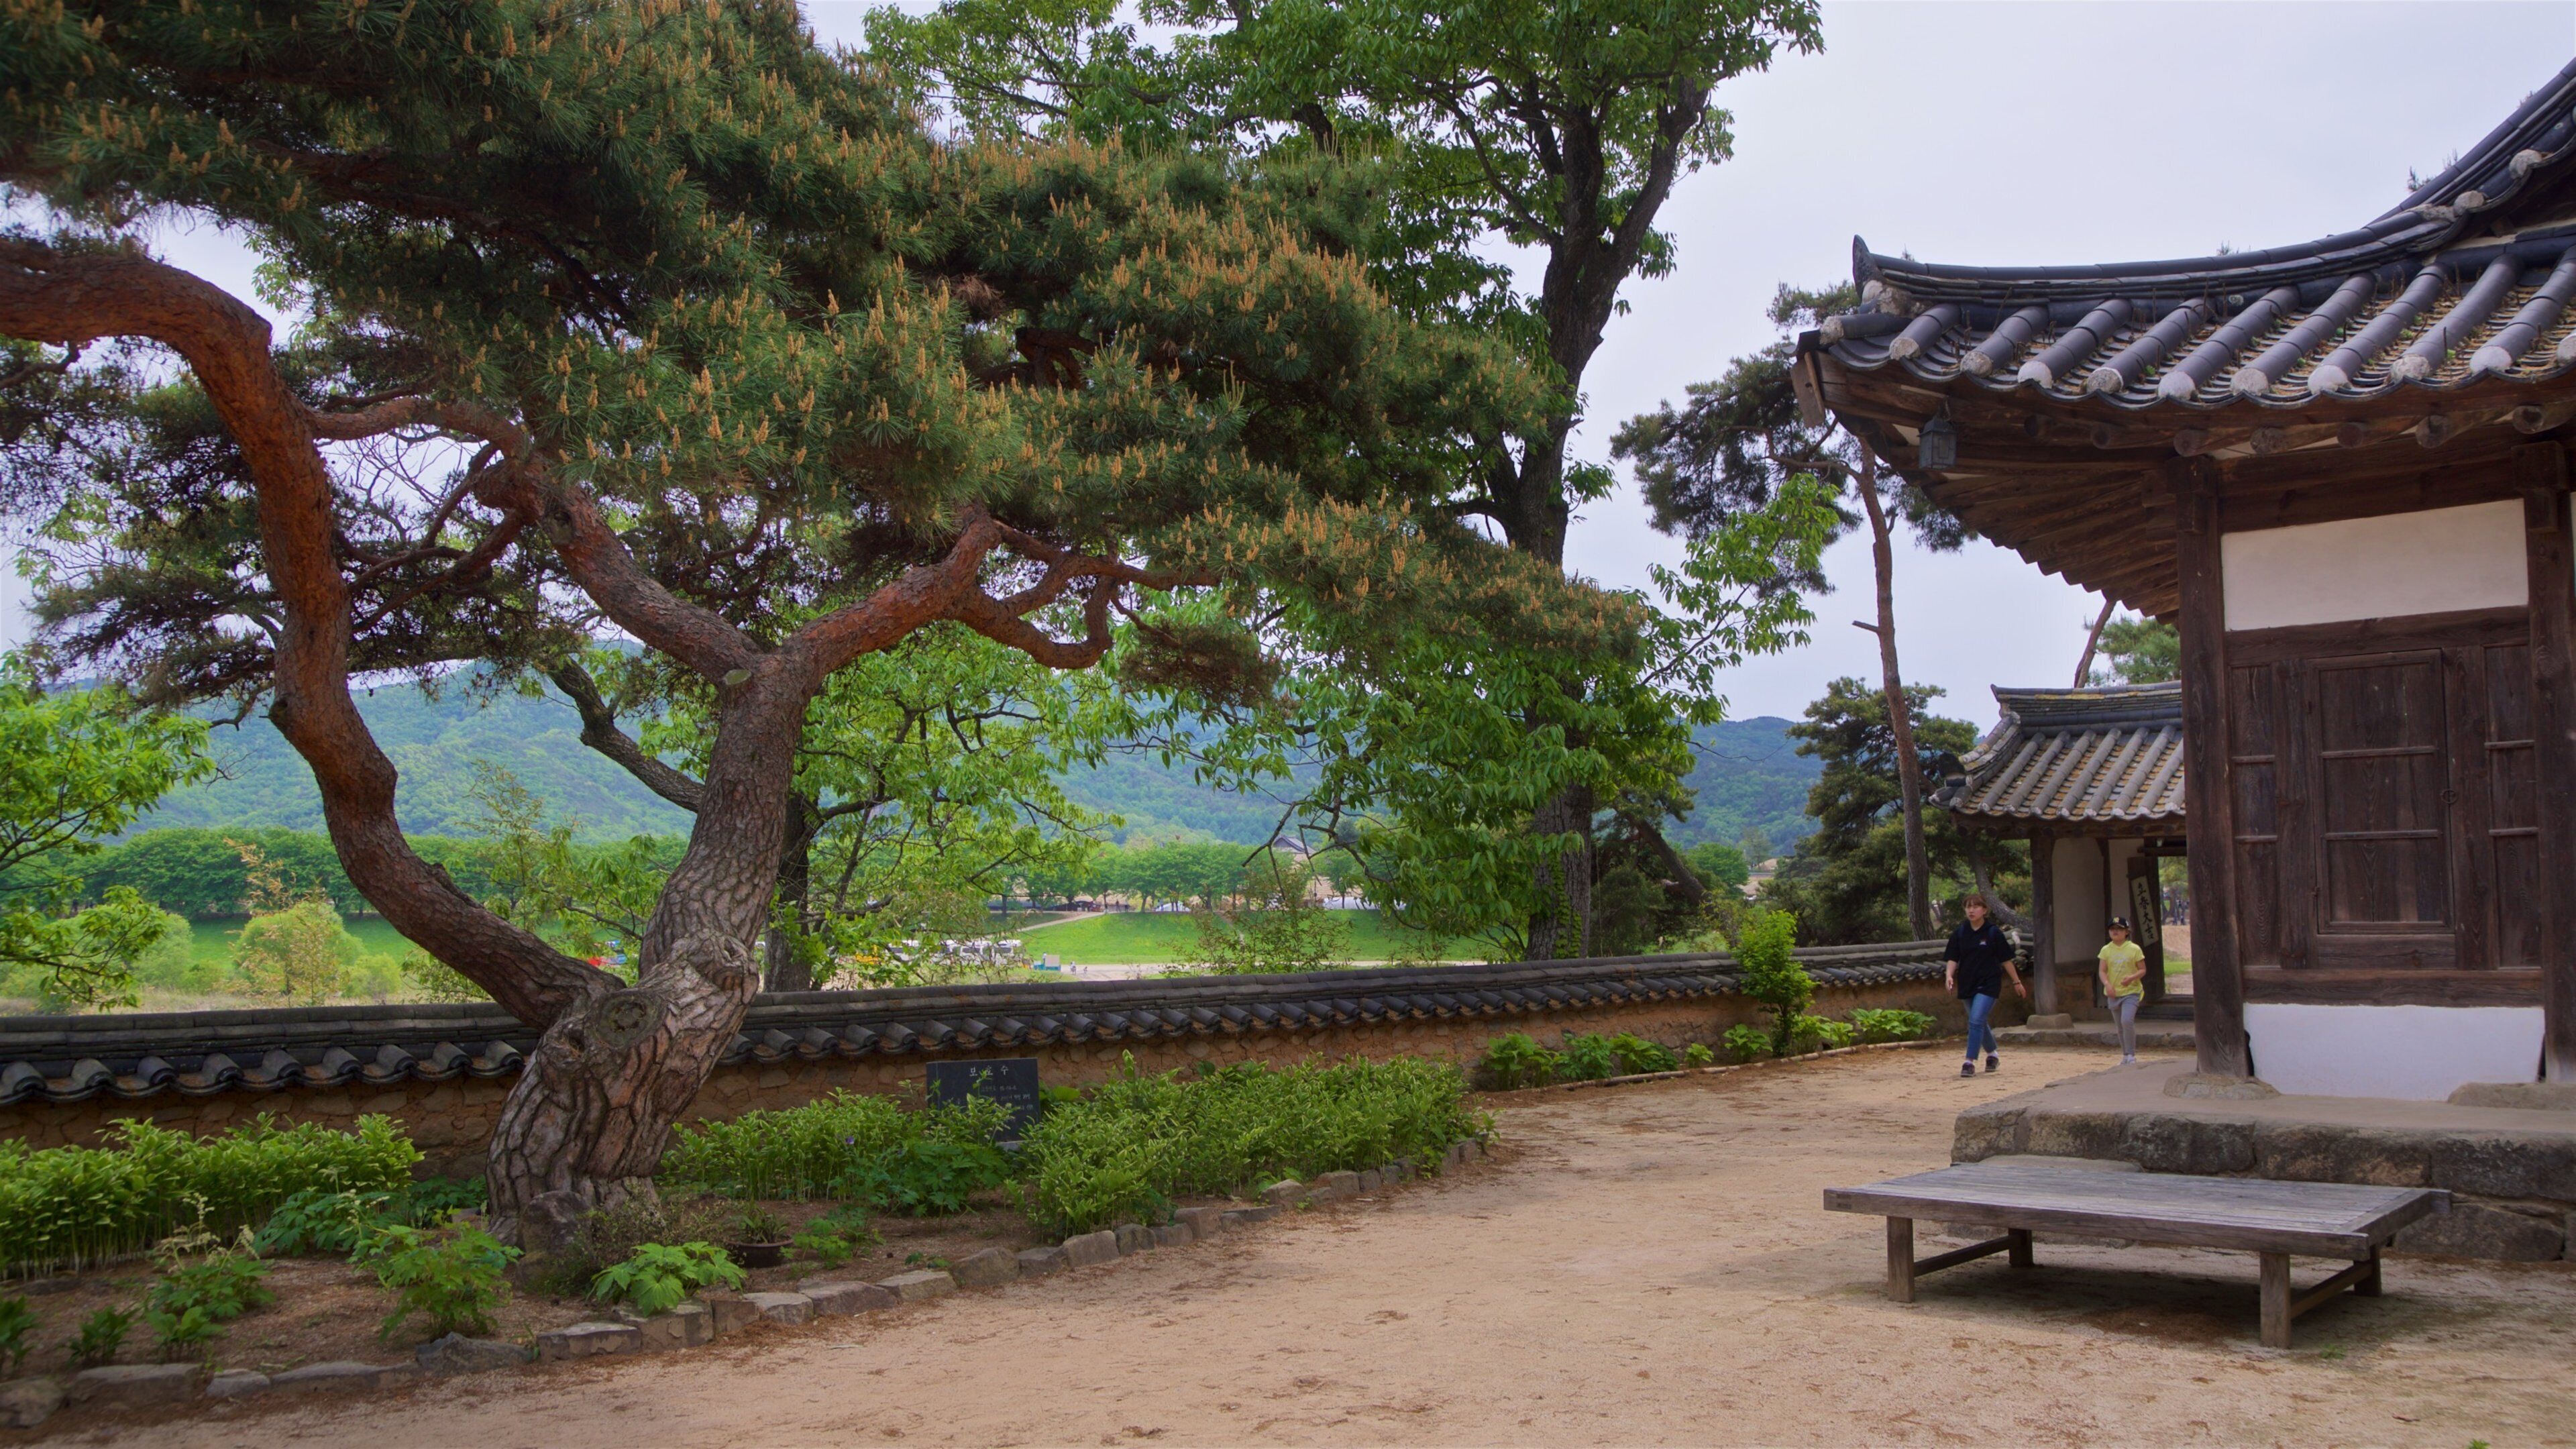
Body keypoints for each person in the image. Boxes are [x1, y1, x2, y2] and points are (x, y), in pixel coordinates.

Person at [1944, 892, 2025, 1078]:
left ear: (1985, 910)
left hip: (1989, 983)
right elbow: (1952, 958)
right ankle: (1993, 1054)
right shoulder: (1960, 933)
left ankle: (1969, 1062)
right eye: (1968, 907)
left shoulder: (1993, 933)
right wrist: (1949, 975)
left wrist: (2016, 982)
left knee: (1975, 1019)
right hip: (1967, 983)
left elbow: (2006, 960)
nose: (1971, 910)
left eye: (1975, 906)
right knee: (1978, 1021)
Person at [2097, 915, 2148, 1065]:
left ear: (2127, 932)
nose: (2115, 932)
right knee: (2119, 1026)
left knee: (2127, 1021)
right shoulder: (2106, 950)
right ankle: (2125, 1054)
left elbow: (2143, 969)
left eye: (2119, 929)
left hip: (2131, 992)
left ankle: (2132, 1054)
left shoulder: (2134, 949)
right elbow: (2102, 971)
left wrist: (2132, 978)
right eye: (2112, 929)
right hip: (2114, 993)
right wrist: (2107, 984)